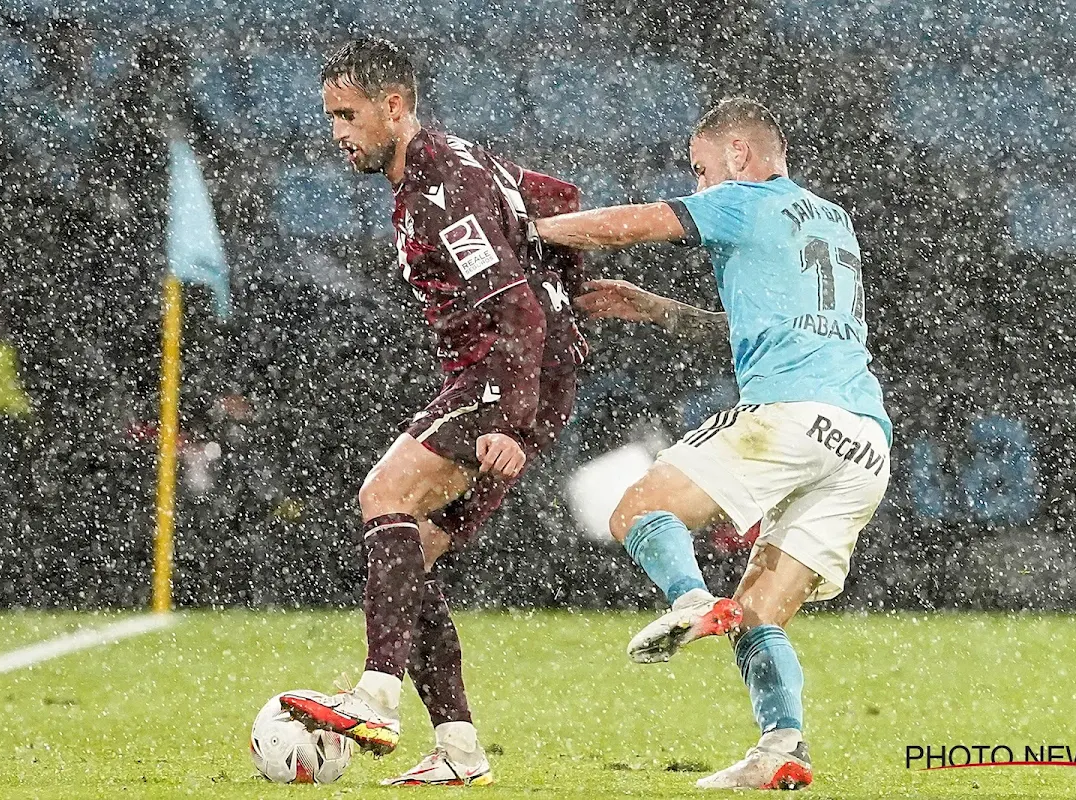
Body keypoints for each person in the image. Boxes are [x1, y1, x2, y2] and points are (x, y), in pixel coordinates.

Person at [533, 97, 891, 791]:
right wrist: (657, 308)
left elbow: (633, 225)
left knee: (636, 509)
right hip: (864, 440)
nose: (702, 186)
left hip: (789, 414)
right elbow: (770, 324)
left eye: (702, 169)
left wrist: (532, 229)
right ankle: (781, 748)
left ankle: (690, 598)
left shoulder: (746, 199)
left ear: (739, 155)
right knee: (759, 612)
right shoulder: (831, 219)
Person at [279, 38, 587, 787]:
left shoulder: (438, 180)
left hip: (504, 372)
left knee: (382, 496)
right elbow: (560, 199)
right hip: (530, 373)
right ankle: (458, 751)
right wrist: (564, 284)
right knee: (410, 553)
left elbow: (511, 303)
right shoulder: (466, 162)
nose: (337, 133)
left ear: (395, 106)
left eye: (347, 115)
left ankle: (376, 696)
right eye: (329, 119)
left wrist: (509, 423)